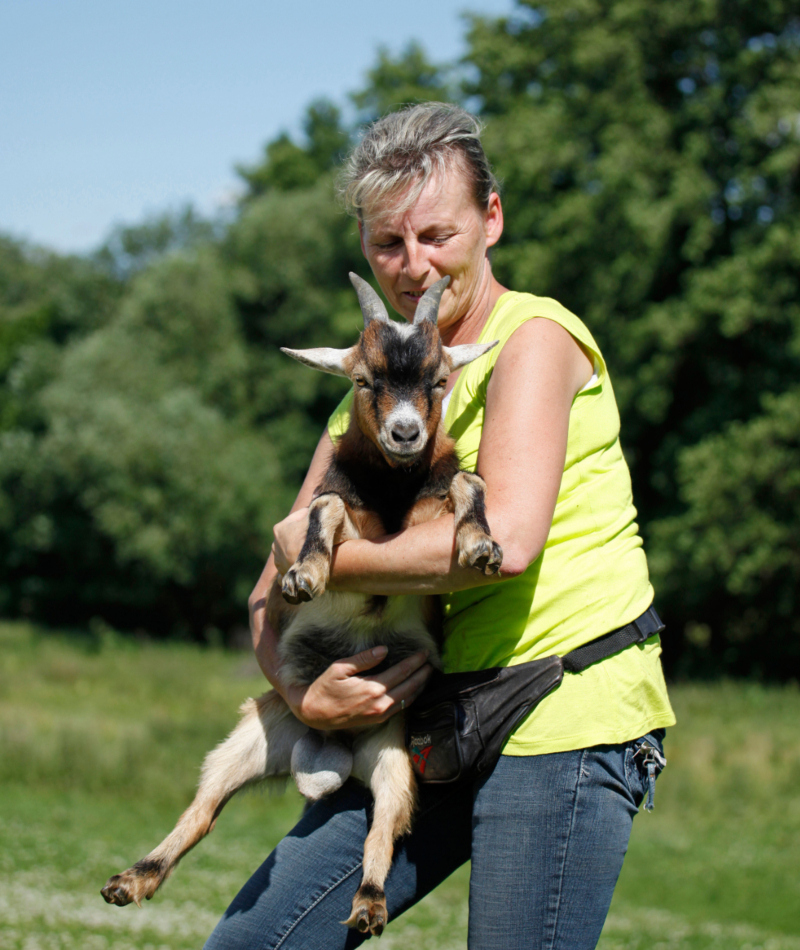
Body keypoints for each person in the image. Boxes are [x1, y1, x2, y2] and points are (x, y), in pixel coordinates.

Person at [205, 102, 675, 950]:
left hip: (564, 707)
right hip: (432, 717)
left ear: (491, 219)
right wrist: (297, 687)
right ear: (363, 247)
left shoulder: (533, 338)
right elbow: (269, 592)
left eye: (436, 235)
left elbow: (504, 544)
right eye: (389, 242)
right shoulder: (377, 385)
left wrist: (317, 553)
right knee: (254, 945)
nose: (413, 266)